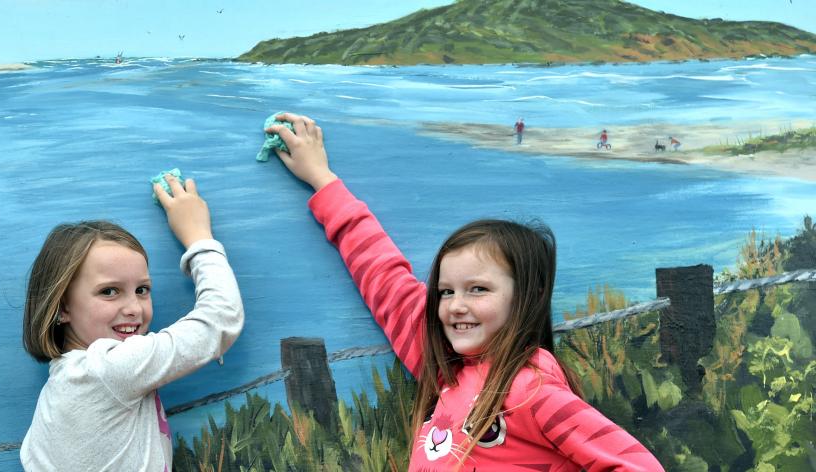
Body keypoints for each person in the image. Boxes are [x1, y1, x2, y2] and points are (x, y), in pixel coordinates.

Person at [265, 112, 664, 471]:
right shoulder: (442, 368)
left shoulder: (531, 390)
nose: (455, 306)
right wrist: (322, 180)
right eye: (445, 292)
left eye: (477, 289)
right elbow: (383, 276)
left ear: (525, 296)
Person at [19, 174, 244, 471]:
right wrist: (198, 237)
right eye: (109, 291)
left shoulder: (65, 383)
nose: (134, 308)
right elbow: (220, 318)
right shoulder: (109, 369)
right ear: (61, 307)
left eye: (142, 290)